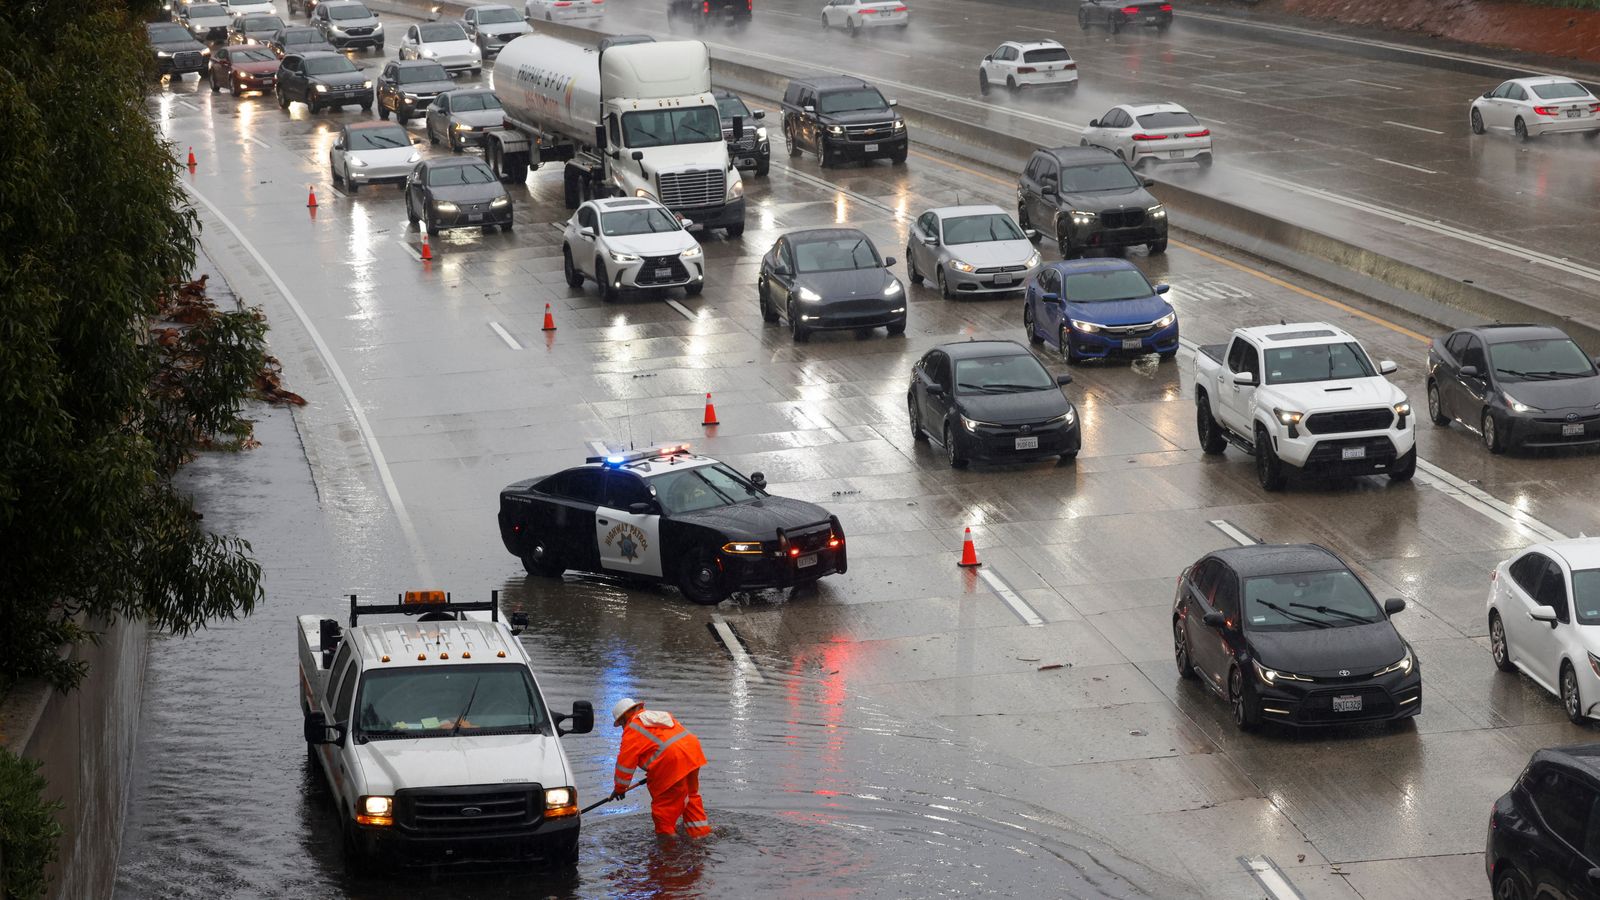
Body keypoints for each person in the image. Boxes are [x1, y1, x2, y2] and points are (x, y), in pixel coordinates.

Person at [609, 697, 711, 838]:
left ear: (624, 716)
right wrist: (657, 770)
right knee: (691, 797)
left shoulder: (632, 727)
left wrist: (619, 788)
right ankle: (701, 837)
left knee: (663, 810)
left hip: (672, 763)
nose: (622, 727)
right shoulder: (656, 716)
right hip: (692, 754)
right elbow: (661, 743)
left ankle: (668, 849)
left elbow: (625, 764)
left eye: (620, 723)